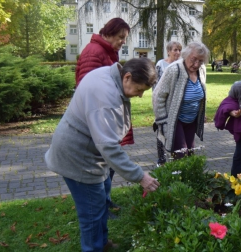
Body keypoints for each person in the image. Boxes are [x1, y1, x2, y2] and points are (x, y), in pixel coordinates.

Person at [45, 58, 160, 251]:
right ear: (128, 77)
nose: (140, 96)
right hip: (78, 157)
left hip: (89, 151)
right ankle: (93, 247)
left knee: (100, 202)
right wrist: (140, 176)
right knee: (91, 212)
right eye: (139, 90)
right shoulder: (105, 96)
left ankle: (102, 243)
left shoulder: (112, 74)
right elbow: (108, 146)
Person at [75, 17, 131, 212]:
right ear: (108, 33)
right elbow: (87, 89)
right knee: (104, 165)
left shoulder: (108, 52)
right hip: (98, 121)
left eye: (125, 38)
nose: (123, 41)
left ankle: (105, 202)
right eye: (120, 37)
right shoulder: (94, 52)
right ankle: (102, 206)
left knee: (109, 166)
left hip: (104, 119)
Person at [153, 41, 209, 161]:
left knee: (190, 153)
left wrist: (201, 113)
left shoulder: (201, 70)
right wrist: (162, 121)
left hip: (191, 120)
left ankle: (185, 178)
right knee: (181, 154)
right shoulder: (174, 70)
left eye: (200, 61)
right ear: (186, 55)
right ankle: (178, 178)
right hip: (175, 120)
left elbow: (201, 94)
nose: (196, 64)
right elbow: (158, 96)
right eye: (194, 59)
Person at [154, 41, 182, 166]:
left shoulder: (181, 65)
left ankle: (175, 157)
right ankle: (161, 160)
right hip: (163, 103)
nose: (178, 52)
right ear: (169, 51)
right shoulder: (161, 64)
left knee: (176, 131)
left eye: (179, 50)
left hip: (177, 104)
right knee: (162, 130)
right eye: (175, 50)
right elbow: (157, 85)